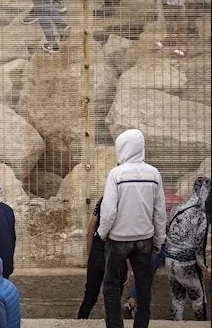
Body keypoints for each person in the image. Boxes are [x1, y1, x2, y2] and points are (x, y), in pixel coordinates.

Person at [98, 128, 167, 328]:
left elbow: (109, 210)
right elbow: (159, 212)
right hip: (144, 239)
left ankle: (115, 325)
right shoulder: (154, 174)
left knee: (111, 285)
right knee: (144, 287)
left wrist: (103, 233)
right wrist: (159, 240)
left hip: (118, 239)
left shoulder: (116, 174)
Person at [164, 176, 211, 321]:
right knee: (198, 298)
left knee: (177, 298)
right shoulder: (201, 215)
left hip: (169, 261)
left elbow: (167, 229)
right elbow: (198, 246)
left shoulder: (177, 208)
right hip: (186, 265)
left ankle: (176, 324)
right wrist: (204, 268)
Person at [77, 195, 128, 318]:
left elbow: (90, 231)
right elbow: (128, 237)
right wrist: (129, 266)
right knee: (114, 296)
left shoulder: (103, 200)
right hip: (116, 251)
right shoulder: (126, 202)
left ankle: (79, 323)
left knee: (90, 296)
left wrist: (90, 257)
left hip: (97, 250)